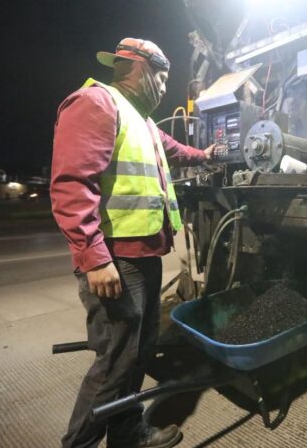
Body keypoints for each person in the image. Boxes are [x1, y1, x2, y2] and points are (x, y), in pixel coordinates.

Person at [51, 37, 214, 448]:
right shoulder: (96, 103)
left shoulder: (141, 120)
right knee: (115, 363)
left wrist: (208, 154)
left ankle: (126, 434)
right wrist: (94, 258)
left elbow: (175, 150)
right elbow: (72, 185)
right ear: (142, 69)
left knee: (138, 354)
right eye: (163, 78)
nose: (164, 88)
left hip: (144, 255)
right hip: (116, 260)